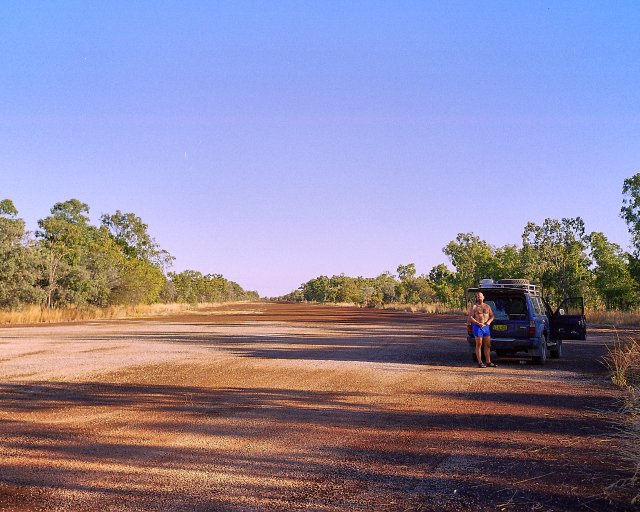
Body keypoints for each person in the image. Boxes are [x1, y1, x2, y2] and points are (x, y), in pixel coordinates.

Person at [468, 291, 497, 368]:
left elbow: (492, 316)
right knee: (479, 344)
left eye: (480, 296)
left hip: (486, 327)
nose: (479, 298)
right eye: (478, 297)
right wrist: (478, 323)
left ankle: (488, 361)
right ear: (476, 298)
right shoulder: (474, 307)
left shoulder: (487, 306)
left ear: (483, 297)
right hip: (478, 327)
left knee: (487, 345)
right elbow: (470, 318)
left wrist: (489, 322)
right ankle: (480, 362)